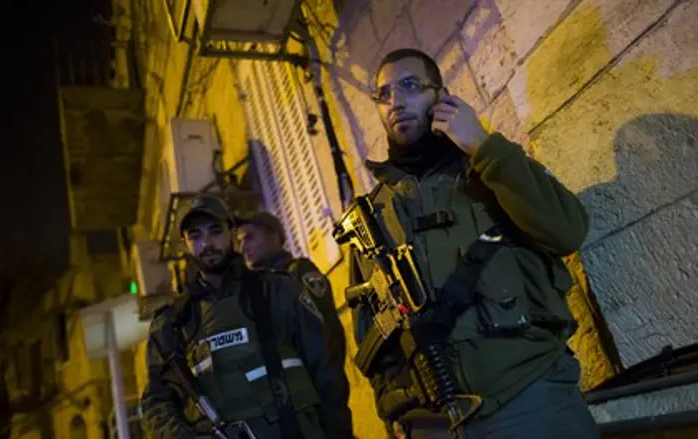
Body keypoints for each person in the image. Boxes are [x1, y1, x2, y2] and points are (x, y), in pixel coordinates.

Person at [347, 48, 599, 438]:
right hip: (433, 424)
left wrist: (482, 144)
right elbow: (369, 335)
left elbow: (567, 230)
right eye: (383, 94)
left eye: (411, 86)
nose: (395, 101)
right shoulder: (371, 216)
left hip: (528, 400)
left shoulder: (487, 165)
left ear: (441, 95)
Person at [142, 194, 353, 439]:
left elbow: (326, 368)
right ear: (184, 244)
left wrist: (338, 433)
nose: (207, 243)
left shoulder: (278, 290)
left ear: (231, 232)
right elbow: (156, 402)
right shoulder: (172, 323)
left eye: (215, 230)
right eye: (195, 235)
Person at [237, 211, 347, 369]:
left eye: (249, 238)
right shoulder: (259, 288)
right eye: (239, 241)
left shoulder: (299, 271)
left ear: (274, 238)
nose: (242, 248)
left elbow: (326, 332)